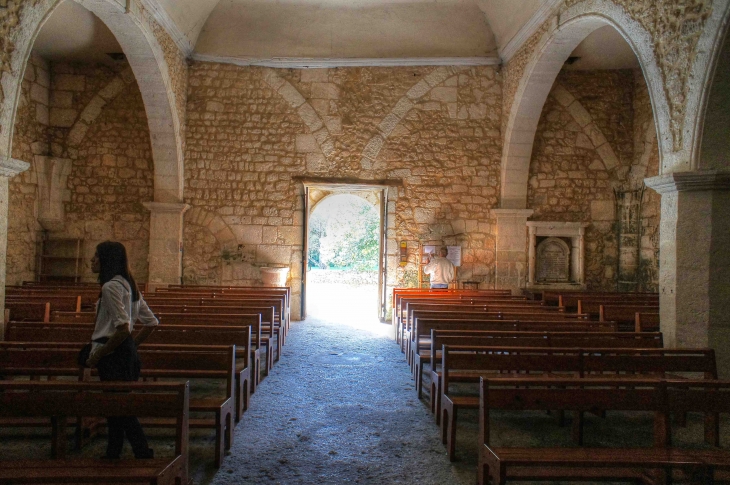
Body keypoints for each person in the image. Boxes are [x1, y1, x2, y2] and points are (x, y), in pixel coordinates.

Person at [85, 241, 159, 459]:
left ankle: (142, 452)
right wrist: (131, 347)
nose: (92, 260)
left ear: (107, 260)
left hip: (112, 355)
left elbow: (122, 328)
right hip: (124, 353)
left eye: (96, 256)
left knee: (121, 408)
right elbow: (152, 323)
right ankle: (114, 452)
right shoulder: (130, 286)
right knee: (116, 406)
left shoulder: (110, 287)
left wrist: (98, 355)